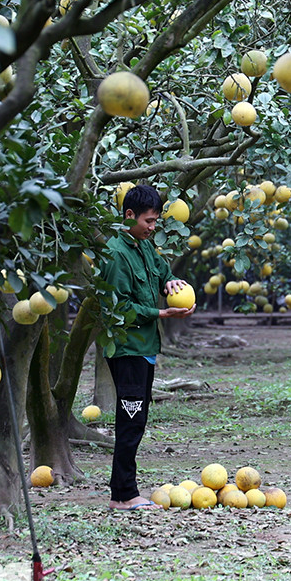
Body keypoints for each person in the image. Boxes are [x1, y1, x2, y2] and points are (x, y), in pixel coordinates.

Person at [99, 184, 193, 511]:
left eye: (155, 222)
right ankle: (124, 495)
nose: (154, 228)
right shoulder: (116, 254)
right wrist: (161, 312)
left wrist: (170, 282)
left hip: (145, 347)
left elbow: (160, 270)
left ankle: (121, 492)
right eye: (149, 221)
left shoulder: (144, 246)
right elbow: (119, 307)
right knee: (130, 423)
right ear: (129, 215)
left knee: (136, 422)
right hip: (127, 349)